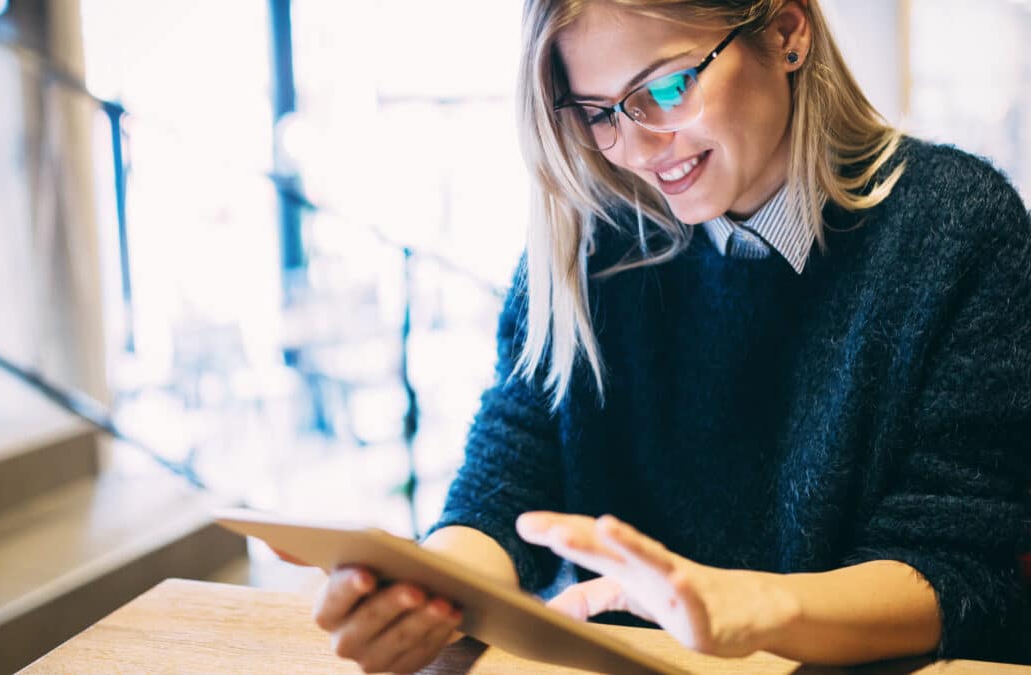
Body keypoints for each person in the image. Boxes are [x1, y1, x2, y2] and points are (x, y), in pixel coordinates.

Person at [307, 0, 1031, 672]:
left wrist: (746, 605)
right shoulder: (591, 239)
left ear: (785, 32)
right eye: (598, 112)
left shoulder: (957, 227)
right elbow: (506, 484)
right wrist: (430, 591)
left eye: (667, 86)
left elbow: (963, 568)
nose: (638, 147)